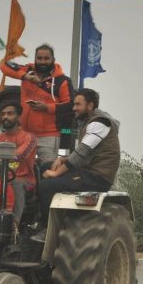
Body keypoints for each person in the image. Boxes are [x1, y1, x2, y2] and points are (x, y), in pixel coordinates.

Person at [36, 89, 118, 240]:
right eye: (74, 104)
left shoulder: (99, 123)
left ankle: (48, 229)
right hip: (87, 172)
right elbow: (86, 154)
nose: (74, 108)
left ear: (90, 105)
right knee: (44, 166)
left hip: (96, 177)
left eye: (78, 104)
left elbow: (82, 153)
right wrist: (62, 159)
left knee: (47, 186)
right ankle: (37, 219)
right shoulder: (89, 122)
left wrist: (56, 173)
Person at [0, 43, 74, 166]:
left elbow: (70, 106)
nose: (42, 62)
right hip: (24, 133)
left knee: (48, 169)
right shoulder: (27, 70)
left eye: (46, 58)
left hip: (49, 136)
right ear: (35, 59)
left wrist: (47, 108)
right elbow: (4, 64)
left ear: (53, 60)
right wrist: (25, 77)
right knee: (18, 169)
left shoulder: (63, 80)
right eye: (39, 58)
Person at [0, 101, 37, 227]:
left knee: (15, 184)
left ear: (19, 116)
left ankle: (14, 226)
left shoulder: (28, 137)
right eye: (2, 114)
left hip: (24, 179)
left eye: (10, 114)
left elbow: (20, 154)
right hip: (0, 179)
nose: (5, 117)